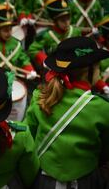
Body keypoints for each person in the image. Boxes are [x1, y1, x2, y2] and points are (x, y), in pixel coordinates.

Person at [24, 36, 109, 188]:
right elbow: (105, 151)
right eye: (97, 66)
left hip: (43, 181)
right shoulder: (102, 108)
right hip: (85, 182)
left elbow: (28, 137)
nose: (100, 70)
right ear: (88, 70)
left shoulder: (40, 96)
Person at [0, 4, 38, 80]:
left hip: (12, 79)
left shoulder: (16, 44)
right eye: (5, 30)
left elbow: (24, 59)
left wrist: (29, 70)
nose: (9, 33)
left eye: (10, 29)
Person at [28, 0, 82, 67]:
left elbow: (82, 48)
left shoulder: (75, 32)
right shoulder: (47, 35)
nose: (67, 23)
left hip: (73, 67)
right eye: (62, 20)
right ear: (55, 21)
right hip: (54, 69)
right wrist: (45, 60)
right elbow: (32, 49)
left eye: (68, 18)